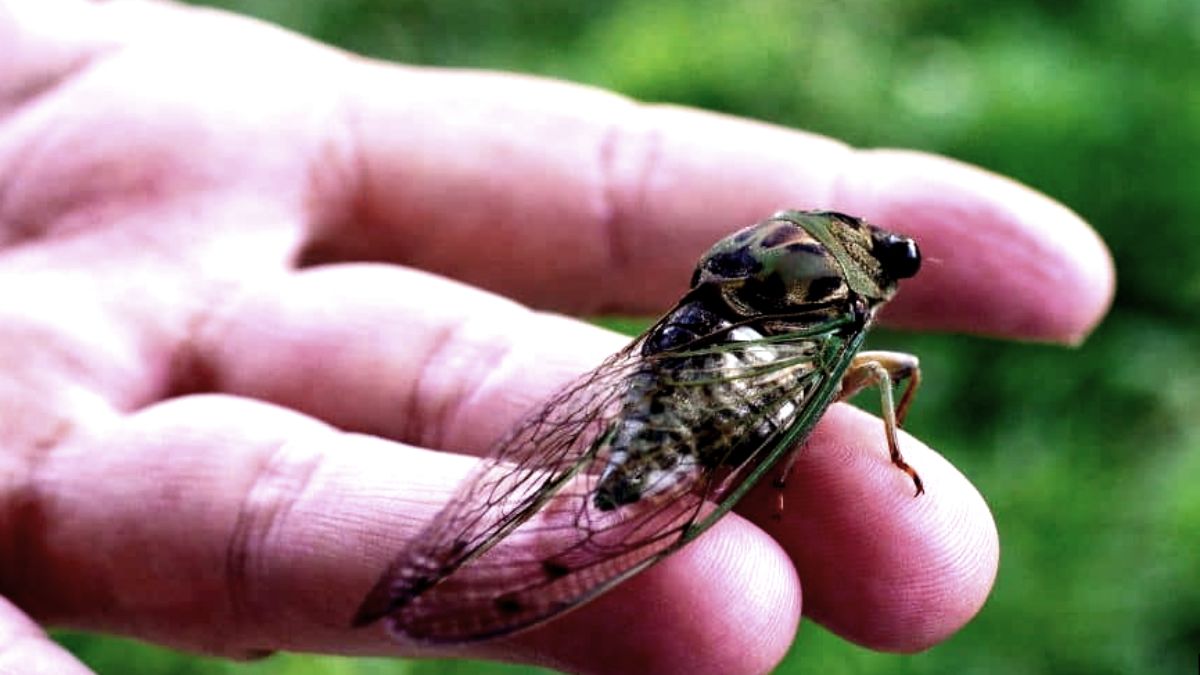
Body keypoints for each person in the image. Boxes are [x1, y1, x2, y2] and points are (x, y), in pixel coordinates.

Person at [0, 1, 1114, 673]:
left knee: (702, 560)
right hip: (733, 400)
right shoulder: (851, 329)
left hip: (672, 360)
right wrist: (813, 451)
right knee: (779, 489)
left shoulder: (763, 254)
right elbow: (843, 380)